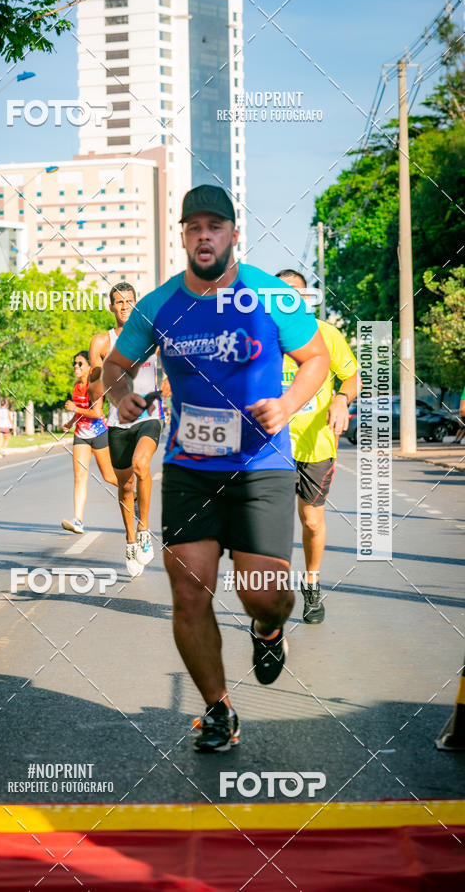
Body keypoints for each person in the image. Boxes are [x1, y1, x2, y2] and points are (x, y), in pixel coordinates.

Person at [102, 185, 329, 752]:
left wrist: (289, 404)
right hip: (189, 467)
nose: (204, 236)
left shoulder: (272, 295)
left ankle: (268, 627)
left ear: (233, 234)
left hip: (260, 467)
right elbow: (115, 365)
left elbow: (317, 358)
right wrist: (122, 393)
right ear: (182, 235)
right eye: (194, 226)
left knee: (265, 592)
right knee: (188, 590)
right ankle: (217, 709)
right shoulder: (159, 305)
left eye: (215, 226)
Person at [276, 270, 359, 624]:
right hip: (272, 444)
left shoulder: (327, 334)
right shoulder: (262, 335)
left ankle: (311, 582)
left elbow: (351, 375)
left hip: (316, 442)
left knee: (311, 520)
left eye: (295, 293)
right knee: (271, 522)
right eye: (280, 294)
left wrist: (342, 398)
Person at [89, 282, 165, 578]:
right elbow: (95, 386)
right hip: (117, 421)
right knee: (126, 485)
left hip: (148, 415)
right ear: (111, 307)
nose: (124, 306)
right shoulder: (101, 343)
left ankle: (144, 529)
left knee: (141, 465)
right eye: (119, 302)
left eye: (129, 301)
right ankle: (131, 541)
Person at [61, 350, 117, 534]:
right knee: (79, 478)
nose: (76, 367)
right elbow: (80, 412)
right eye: (74, 364)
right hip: (81, 436)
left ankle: (134, 493)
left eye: (80, 364)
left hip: (99, 434)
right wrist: (71, 422)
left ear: (89, 368)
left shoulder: (95, 386)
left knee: (109, 476)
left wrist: (75, 407)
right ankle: (77, 520)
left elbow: (97, 414)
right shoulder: (77, 386)